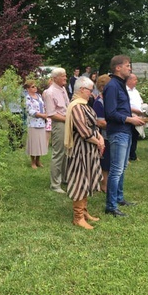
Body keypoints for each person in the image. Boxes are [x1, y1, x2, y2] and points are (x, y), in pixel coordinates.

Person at [103, 55, 145, 217]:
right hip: (118, 131)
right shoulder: (112, 86)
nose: (130, 68)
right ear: (118, 68)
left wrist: (133, 117)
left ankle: (119, 198)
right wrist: (130, 119)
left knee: (122, 168)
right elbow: (111, 113)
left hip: (125, 130)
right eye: (127, 65)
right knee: (116, 169)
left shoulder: (120, 85)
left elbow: (121, 109)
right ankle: (111, 206)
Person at [64, 76, 104, 229]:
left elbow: (93, 126)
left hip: (88, 150)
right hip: (80, 151)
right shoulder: (77, 106)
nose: (91, 93)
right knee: (80, 181)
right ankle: (78, 217)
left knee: (87, 179)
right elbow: (83, 130)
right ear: (81, 90)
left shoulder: (84, 105)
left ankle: (84, 211)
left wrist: (98, 136)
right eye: (89, 90)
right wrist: (98, 140)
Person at [43, 68, 69, 193]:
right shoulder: (50, 92)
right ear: (55, 78)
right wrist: (67, 119)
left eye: (65, 76)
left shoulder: (62, 89)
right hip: (59, 124)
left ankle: (64, 178)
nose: (65, 78)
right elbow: (51, 114)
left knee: (66, 152)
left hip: (67, 122)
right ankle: (55, 184)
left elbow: (67, 106)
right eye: (63, 76)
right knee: (58, 153)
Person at [92, 74, 111, 192]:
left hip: (110, 135)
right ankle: (104, 184)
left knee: (110, 161)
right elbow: (99, 122)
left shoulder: (108, 100)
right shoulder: (99, 102)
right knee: (105, 161)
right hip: (104, 136)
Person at [24, 79, 48, 169]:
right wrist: (42, 115)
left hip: (41, 123)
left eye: (35, 86)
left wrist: (45, 114)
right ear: (28, 89)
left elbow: (43, 106)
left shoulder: (39, 96)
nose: (35, 88)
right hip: (33, 123)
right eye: (32, 87)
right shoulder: (27, 98)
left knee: (40, 142)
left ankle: (38, 160)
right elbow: (30, 111)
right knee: (33, 143)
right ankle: (33, 162)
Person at [126, 73, 144, 161]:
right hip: (130, 115)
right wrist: (135, 111)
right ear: (129, 80)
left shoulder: (135, 91)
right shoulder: (125, 91)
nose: (136, 81)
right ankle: (127, 156)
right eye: (135, 80)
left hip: (138, 115)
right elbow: (125, 105)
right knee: (129, 136)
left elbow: (140, 102)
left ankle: (133, 154)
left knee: (135, 136)